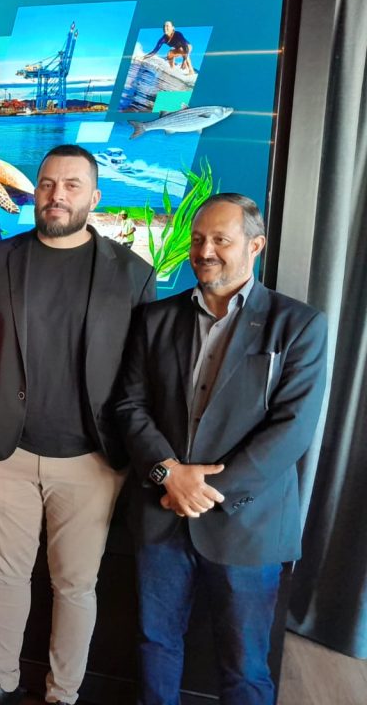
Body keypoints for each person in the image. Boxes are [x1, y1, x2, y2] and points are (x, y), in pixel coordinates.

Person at [115, 194, 327, 705]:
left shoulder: (297, 324)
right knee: (155, 645)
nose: (204, 251)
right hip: (162, 515)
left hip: (247, 525)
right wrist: (169, 474)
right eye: (197, 239)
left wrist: (202, 490)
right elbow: (129, 404)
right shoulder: (156, 318)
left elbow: (291, 429)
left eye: (220, 240)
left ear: (255, 246)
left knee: (245, 667)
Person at [0, 144, 157, 705]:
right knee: (5, 576)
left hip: (91, 460)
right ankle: (1, 681)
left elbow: (140, 377)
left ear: (94, 197)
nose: (57, 195)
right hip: (4, 453)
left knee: (75, 585)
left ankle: (63, 693)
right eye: (48, 183)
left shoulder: (133, 273)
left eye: (72, 185)